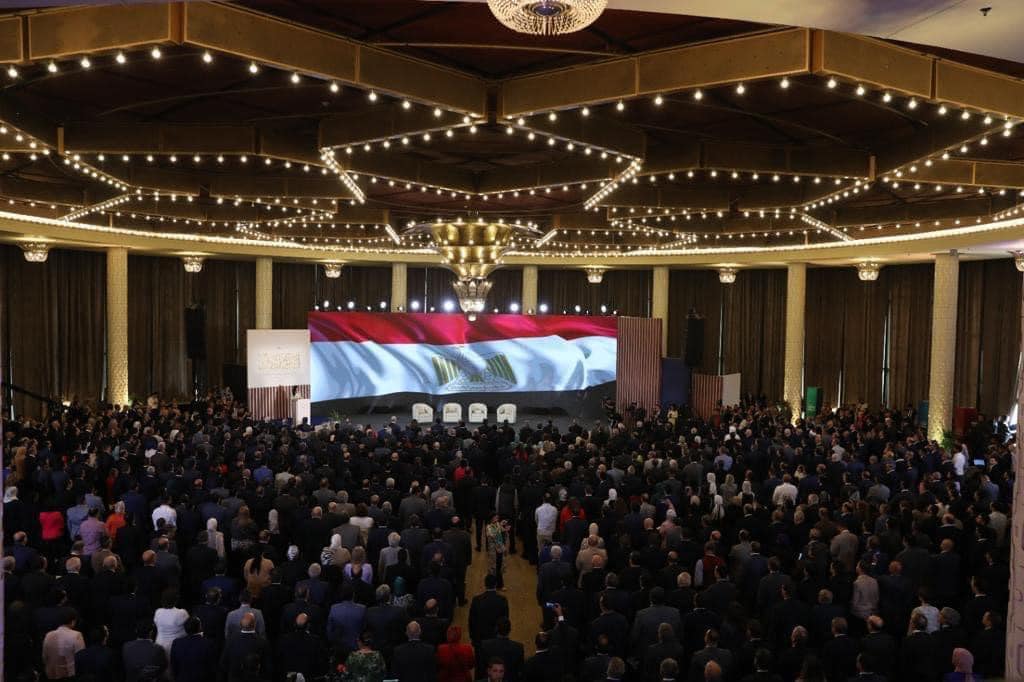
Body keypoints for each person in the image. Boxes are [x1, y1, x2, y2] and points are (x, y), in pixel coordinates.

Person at [41, 610, 85, 680]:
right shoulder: (76, 635)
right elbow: (81, 658)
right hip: (70, 675)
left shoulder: (48, 635)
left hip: (52, 675)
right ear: (73, 621)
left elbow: (44, 657)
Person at [170, 616, 215, 682]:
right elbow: (211, 667)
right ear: (199, 628)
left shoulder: (176, 643)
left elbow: (174, 665)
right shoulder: (208, 643)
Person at [485, 515, 509, 589]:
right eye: (495, 517)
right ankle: (492, 584)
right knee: (493, 567)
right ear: (491, 518)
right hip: (493, 550)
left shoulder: (498, 524)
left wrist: (505, 529)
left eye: (497, 518)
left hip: (500, 549)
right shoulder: (488, 527)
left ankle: (500, 585)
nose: (497, 519)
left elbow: (502, 532)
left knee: (499, 567)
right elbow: (493, 535)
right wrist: (500, 526)